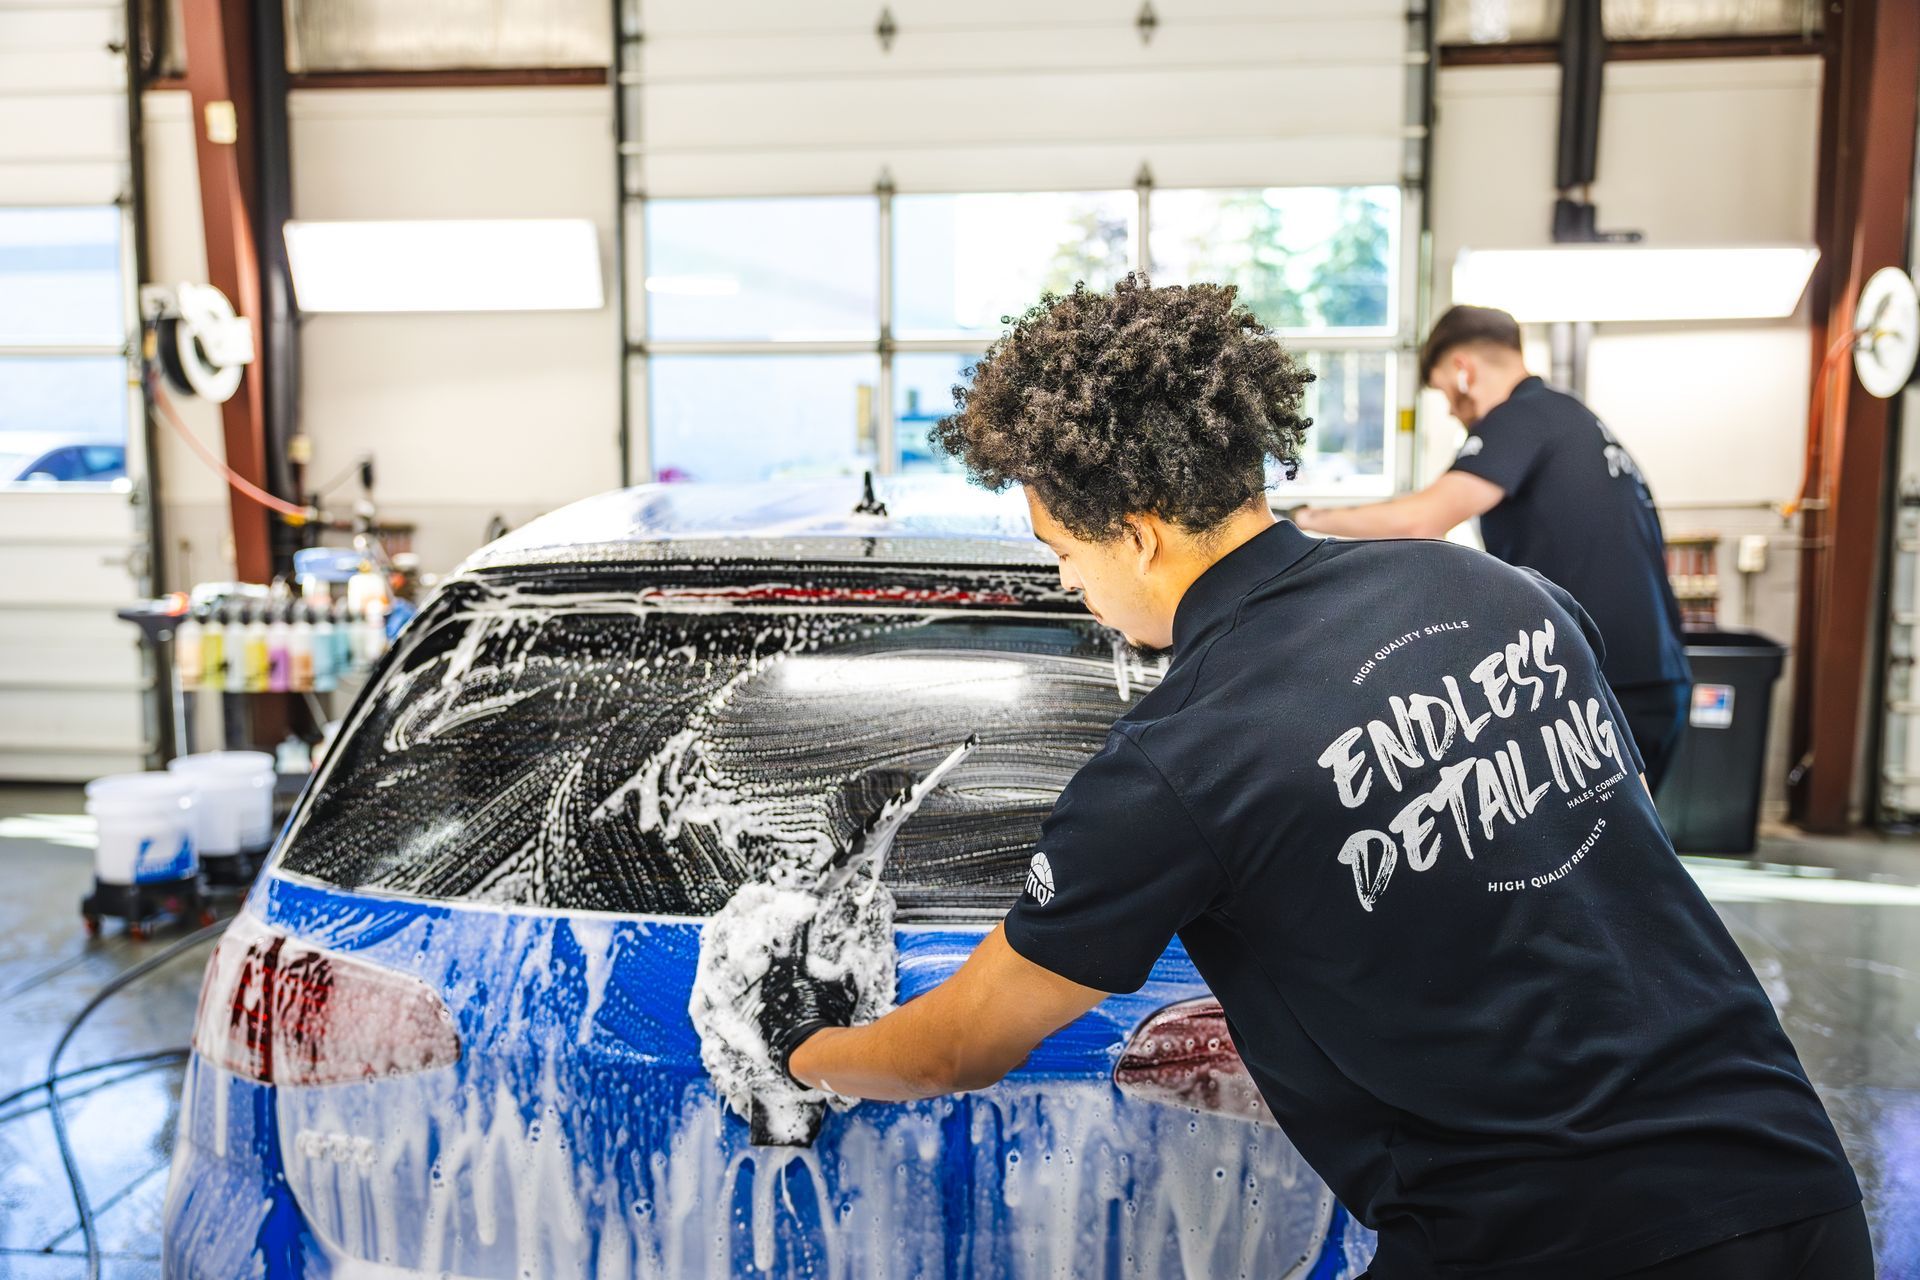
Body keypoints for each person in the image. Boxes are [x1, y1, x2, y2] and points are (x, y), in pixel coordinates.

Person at [739, 278, 1867, 1279]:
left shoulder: (1174, 761)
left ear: (1134, 535)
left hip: (1553, 1239)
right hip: (1797, 1185)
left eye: (1061, 551)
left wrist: (794, 1049)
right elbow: (1579, 873)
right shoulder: (1513, 597)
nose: (1068, 581)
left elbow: (954, 1046)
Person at [1292, 306, 1694, 791]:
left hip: (1612, 685)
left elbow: (1422, 520)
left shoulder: (1518, 418)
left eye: (1444, 393)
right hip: (1652, 675)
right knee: (1625, 855)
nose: (1450, 410)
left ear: (1463, 371)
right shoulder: (1567, 415)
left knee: (1594, 856)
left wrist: (1305, 520)